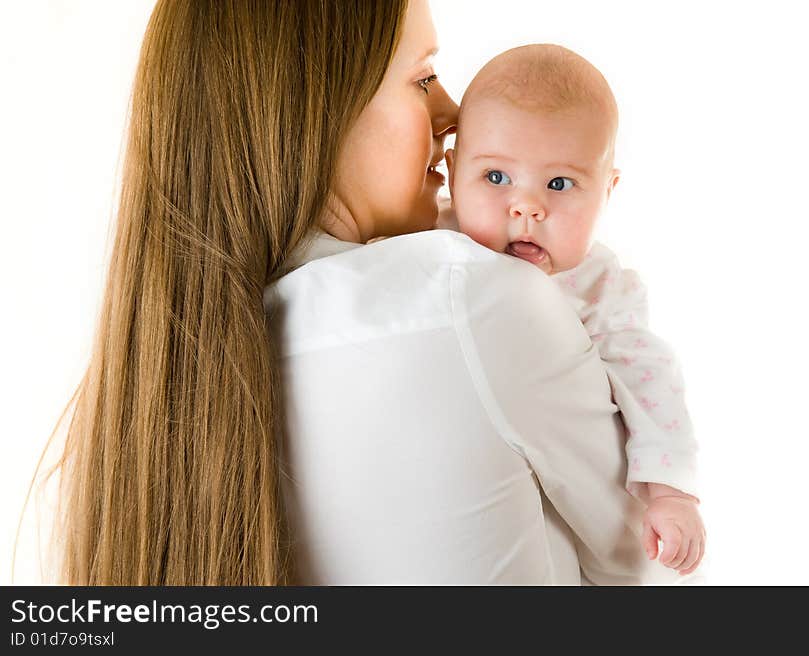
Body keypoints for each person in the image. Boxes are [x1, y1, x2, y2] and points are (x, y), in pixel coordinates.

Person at [18, 0, 680, 585]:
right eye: (423, 78)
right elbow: (644, 556)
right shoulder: (482, 301)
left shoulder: (169, 377)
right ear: (318, 107)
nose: (452, 115)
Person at [438, 44, 705, 576]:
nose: (527, 207)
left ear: (607, 192)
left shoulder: (601, 285)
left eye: (559, 184)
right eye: (496, 177)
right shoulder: (430, 238)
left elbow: (650, 379)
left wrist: (672, 494)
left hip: (564, 495)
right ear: (451, 170)